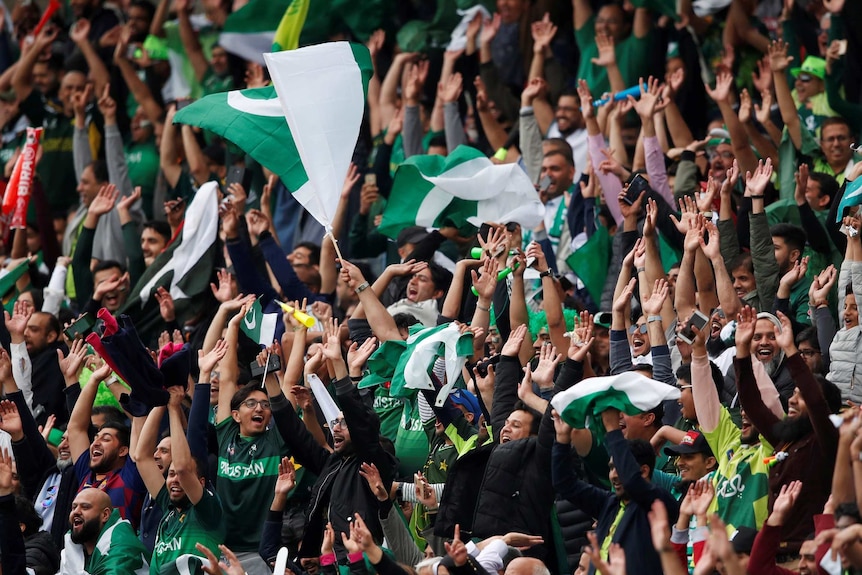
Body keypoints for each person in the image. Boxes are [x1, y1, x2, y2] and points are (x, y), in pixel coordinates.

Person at [552, 405, 679, 575]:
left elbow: (633, 482)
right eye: (611, 468)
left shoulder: (658, 503)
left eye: (619, 467)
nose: (613, 475)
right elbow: (565, 484)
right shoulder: (609, 503)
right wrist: (561, 440)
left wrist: (613, 429)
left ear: (644, 471)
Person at [136, 388, 225, 574]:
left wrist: (174, 409)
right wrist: (161, 401)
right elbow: (142, 457)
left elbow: (184, 469)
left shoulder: (207, 510)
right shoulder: (168, 506)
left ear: (201, 482)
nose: (175, 480)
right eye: (171, 474)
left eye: (181, 476)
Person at [59, 488, 150, 575]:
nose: (76, 512)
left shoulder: (121, 548)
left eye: (85, 507)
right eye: (74, 507)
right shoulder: (73, 544)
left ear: (105, 515)